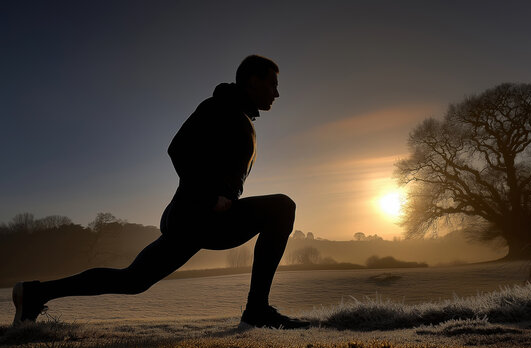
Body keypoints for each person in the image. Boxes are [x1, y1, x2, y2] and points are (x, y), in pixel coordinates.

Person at [12, 55, 310, 329]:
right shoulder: (219, 106)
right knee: (282, 207)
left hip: (201, 218)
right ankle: (257, 310)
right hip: (199, 215)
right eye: (273, 84)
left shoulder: (239, 115)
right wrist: (210, 196)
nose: (277, 93)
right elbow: (178, 148)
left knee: (134, 279)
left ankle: (36, 293)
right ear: (253, 81)